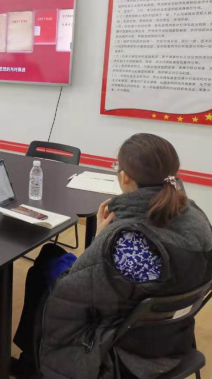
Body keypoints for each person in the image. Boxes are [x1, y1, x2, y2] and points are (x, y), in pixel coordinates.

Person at [12, 134, 212, 379]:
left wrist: (99, 238)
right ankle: (30, 359)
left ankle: (32, 363)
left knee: (45, 269)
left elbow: (73, 295)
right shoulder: (197, 216)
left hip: (127, 344)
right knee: (50, 254)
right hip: (172, 332)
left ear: (124, 177)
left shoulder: (127, 241)